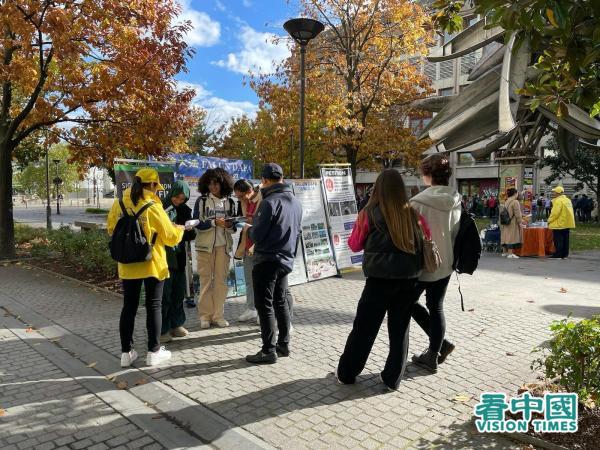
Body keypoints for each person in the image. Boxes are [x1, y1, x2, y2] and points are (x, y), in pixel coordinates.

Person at [336, 169, 427, 391]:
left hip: (378, 280)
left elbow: (355, 245)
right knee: (399, 330)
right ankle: (392, 378)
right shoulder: (414, 214)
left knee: (364, 329)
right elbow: (427, 238)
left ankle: (348, 373)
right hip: (409, 280)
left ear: (377, 188)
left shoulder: (369, 213)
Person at [107, 168, 184, 367]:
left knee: (129, 307)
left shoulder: (119, 203)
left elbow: (110, 229)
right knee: (154, 306)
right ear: (150, 185)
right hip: (152, 263)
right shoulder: (153, 206)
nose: (157, 191)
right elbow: (170, 237)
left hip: (127, 264)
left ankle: (126, 353)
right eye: (156, 187)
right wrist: (180, 229)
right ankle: (154, 352)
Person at [409, 155, 461, 373]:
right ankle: (434, 353)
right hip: (446, 262)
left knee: (408, 302)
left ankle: (437, 349)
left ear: (427, 175)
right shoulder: (456, 199)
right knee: (436, 306)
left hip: (422, 263)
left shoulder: (417, 202)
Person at [245, 163, 302, 364]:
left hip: (267, 259)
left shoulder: (269, 202)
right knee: (280, 301)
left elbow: (258, 235)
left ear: (265, 181)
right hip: (285, 259)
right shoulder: (295, 201)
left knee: (265, 304)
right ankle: (283, 345)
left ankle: (268, 350)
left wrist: (247, 229)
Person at [192, 168, 237, 329]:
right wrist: (213, 222)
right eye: (210, 184)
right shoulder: (202, 201)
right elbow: (196, 222)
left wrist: (229, 225)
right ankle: (205, 316)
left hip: (224, 247)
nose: (213, 187)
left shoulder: (230, 202)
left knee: (220, 282)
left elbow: (234, 226)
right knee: (205, 282)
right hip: (205, 247)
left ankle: (218, 316)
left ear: (223, 183)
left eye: (216, 183)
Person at [160, 181, 196, 343]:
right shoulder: (160, 207)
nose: (179, 201)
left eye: (182, 199)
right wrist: (175, 228)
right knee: (165, 295)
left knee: (178, 292)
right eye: (177, 197)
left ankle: (176, 324)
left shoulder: (185, 210)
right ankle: (162, 329)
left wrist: (187, 228)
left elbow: (191, 235)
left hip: (179, 257)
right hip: (164, 257)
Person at [233, 179, 262, 323]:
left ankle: (263, 311)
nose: (239, 199)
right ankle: (251, 309)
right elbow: (245, 220)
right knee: (249, 279)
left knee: (261, 280)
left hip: (259, 245)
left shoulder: (262, 200)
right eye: (237, 197)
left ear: (249, 191)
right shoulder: (244, 202)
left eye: (240, 196)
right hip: (247, 244)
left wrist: (250, 223)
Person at [548, 186, 576, 259]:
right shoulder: (567, 200)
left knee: (558, 240)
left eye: (554, 192)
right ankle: (565, 254)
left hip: (559, 223)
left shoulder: (558, 201)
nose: (553, 193)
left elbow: (555, 213)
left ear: (557, 193)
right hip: (568, 223)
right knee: (566, 239)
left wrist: (549, 220)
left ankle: (558, 254)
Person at [500, 188, 526, 258]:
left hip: (506, 221)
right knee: (511, 237)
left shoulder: (507, 200)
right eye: (517, 193)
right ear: (515, 194)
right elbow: (517, 213)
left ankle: (504, 252)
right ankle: (510, 253)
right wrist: (520, 222)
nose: (518, 194)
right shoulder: (515, 202)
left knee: (506, 236)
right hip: (512, 222)